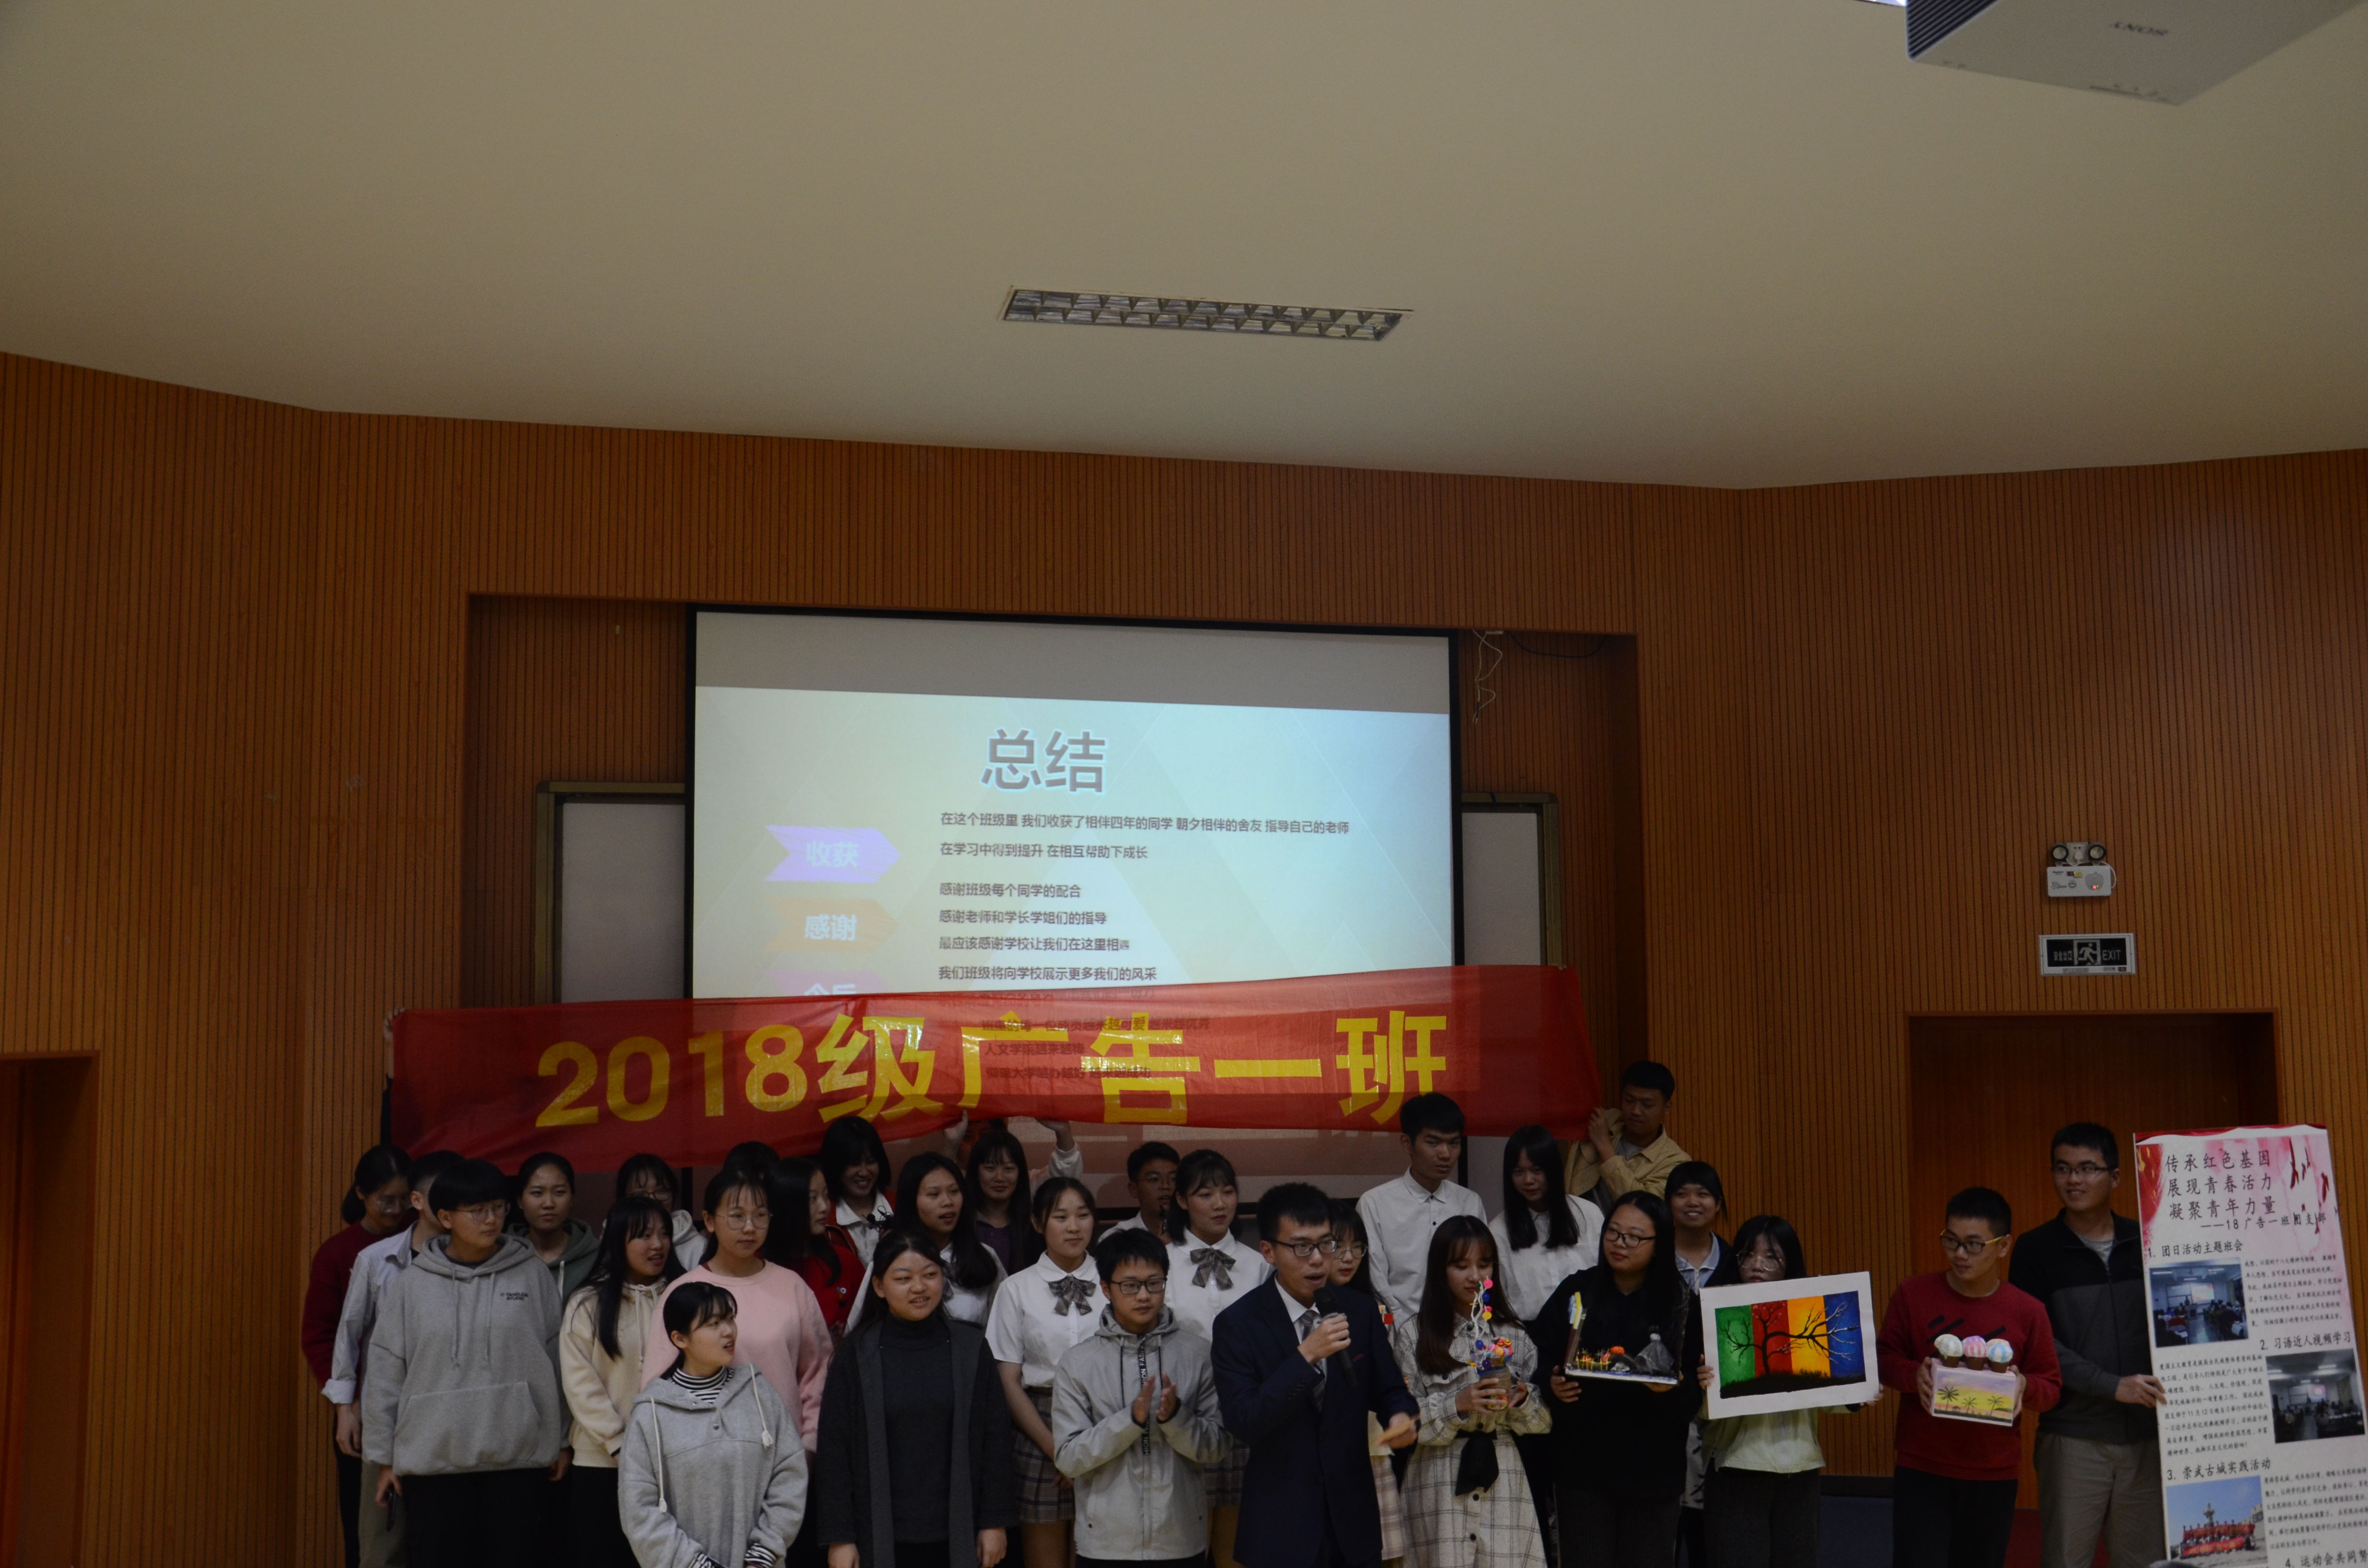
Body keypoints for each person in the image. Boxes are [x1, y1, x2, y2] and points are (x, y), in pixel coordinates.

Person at [361, 1158, 569, 1567]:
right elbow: (386, 1373)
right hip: (433, 1465)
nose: (491, 1220)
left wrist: (561, 1439)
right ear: (445, 1218)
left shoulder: (532, 1275)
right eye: (477, 1211)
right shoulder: (412, 1285)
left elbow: (557, 1359)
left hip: (518, 1461)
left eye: (497, 1208)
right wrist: (384, 1458)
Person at [1210, 1181, 1418, 1568]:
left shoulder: (1359, 1310)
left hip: (1352, 1522)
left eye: (1327, 1244)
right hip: (1280, 1526)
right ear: (1269, 1251)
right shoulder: (1238, 1324)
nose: (1319, 1260)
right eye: (1302, 1247)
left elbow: (1390, 1388)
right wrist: (1306, 1356)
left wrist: (1401, 1415)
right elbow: (1244, 1421)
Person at [812, 1229, 1021, 1568]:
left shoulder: (971, 1349)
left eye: (930, 1275)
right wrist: (840, 1537)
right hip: (877, 1534)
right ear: (879, 1286)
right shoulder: (856, 1355)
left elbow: (995, 1440)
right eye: (903, 1279)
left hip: (960, 1531)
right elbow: (836, 1453)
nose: (919, 1287)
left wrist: (994, 1522)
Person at [1877, 1187, 2063, 1568]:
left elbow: (2051, 1388)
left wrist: (2025, 1387)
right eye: (1951, 1241)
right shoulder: (1913, 1294)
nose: (1960, 1254)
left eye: (1974, 1245)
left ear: (2003, 1246)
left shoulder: (2028, 1311)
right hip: (1922, 1465)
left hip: (1993, 1472)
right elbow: (1882, 1360)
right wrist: (1915, 1375)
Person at [2008, 1125, 2164, 1568]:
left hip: (2149, 1435)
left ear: (2115, 1177)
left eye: (2087, 1169)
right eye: (2063, 1169)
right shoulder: (2035, 1249)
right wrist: (2111, 1385)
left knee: (2144, 1561)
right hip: (2073, 1437)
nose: (2073, 1180)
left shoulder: (2148, 1240)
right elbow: (2037, 1345)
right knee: (2066, 1559)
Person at [1529, 1191, 1702, 1568]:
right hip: (1583, 1469)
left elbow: (1694, 1396)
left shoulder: (1680, 1303)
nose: (1620, 1243)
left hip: (1653, 1473)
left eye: (1635, 1237)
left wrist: (1671, 1389)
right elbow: (1538, 1356)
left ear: (1659, 1245)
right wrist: (1552, 1384)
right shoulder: (1577, 1291)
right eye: (1613, 1232)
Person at [1051, 1227, 1229, 1568]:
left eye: (1154, 1283)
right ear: (1106, 1288)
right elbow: (1069, 1458)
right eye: (1130, 1286)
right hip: (1105, 1545)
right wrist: (1130, 1421)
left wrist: (1176, 1418)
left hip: (1180, 1539)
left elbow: (1217, 1448)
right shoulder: (1078, 1363)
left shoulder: (1198, 1355)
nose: (1144, 1296)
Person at [328, 1147, 464, 1568]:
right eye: (440, 1195)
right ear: (417, 1200)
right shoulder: (376, 1259)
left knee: (446, 1543)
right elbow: (348, 1337)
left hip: (453, 1420)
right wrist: (345, 1409)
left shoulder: (477, 1261)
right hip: (386, 1417)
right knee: (382, 1543)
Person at [1388, 1217, 1549, 1568]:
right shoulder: (1414, 1335)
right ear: (1440, 1270)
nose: (1475, 1276)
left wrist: (1522, 1400)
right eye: (1461, 1266)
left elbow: (1544, 1423)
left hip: (1504, 1475)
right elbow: (1404, 1424)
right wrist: (1457, 1404)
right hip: (1436, 1476)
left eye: (1484, 1264)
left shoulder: (1514, 1333)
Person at [619, 1279, 810, 1568]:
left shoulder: (759, 1393)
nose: (728, 1331)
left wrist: (763, 1555)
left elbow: (789, 1474)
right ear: (680, 1339)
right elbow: (640, 1510)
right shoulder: (651, 1414)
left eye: (730, 1319)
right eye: (713, 1324)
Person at [645, 1167, 834, 1455]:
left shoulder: (792, 1286)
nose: (749, 1228)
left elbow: (817, 1374)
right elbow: (657, 1385)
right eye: (737, 1216)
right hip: (706, 1455)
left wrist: (809, 1446)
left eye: (760, 1215)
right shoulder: (684, 1292)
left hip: (785, 1452)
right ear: (709, 1220)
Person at [1696, 1215, 1836, 1568]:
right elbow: (1700, 1411)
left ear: (1790, 1264)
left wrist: (1858, 1391)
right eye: (1748, 1254)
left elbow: (1832, 1396)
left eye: (1771, 1257)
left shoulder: (1809, 1312)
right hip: (1735, 1466)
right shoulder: (1716, 1313)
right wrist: (1704, 1385)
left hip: (1801, 1466)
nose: (1757, 1265)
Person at [987, 1178, 1104, 1568]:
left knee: (1099, 1554)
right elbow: (1007, 1379)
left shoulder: (1115, 1282)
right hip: (1039, 1429)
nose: (1074, 1227)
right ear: (1038, 1223)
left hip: (1107, 1425)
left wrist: (1092, 1447)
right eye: (1061, 1217)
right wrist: (1058, 1451)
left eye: (1083, 1216)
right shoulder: (1016, 1289)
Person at [560, 1194, 682, 1568]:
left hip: (674, 1464)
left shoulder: (684, 1297)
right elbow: (580, 1382)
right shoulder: (587, 1302)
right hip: (601, 1464)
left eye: (664, 1234)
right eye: (644, 1235)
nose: (657, 1244)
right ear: (617, 1241)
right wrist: (617, 1443)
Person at [308, 1144, 413, 1568]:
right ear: (361, 1194)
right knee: (367, 1527)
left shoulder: (423, 1242)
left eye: (404, 1200)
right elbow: (320, 1335)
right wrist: (345, 1404)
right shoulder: (339, 1252)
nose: (396, 1210)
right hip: (362, 1408)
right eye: (386, 1200)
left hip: (417, 1403)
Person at [1163, 1150, 1268, 1568]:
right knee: (1186, 1543)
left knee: (1238, 1544)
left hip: (1245, 1409)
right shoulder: (1163, 1262)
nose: (1220, 1204)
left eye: (1227, 1192)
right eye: (1205, 1194)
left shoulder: (1258, 1264)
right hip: (1183, 1411)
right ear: (1182, 1200)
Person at [1326, 1201, 1410, 1568]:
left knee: (1380, 1555)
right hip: (1321, 1455)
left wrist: (1400, 1410)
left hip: (1372, 1447)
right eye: (1337, 1246)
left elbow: (1389, 1380)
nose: (1349, 1258)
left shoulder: (1371, 1307)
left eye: (1357, 1247)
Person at [1664, 1160, 1738, 1568]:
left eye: (1703, 1194)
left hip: (1720, 1412)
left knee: (1711, 1531)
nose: (1692, 1202)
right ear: (1668, 1203)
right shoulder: (1651, 1261)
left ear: (1718, 1204)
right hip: (1663, 1407)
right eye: (1682, 1194)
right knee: (1662, 1526)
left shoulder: (1736, 1264)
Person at [1358, 1093, 1488, 1323]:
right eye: (1433, 1143)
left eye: (1454, 1143)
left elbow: (1481, 1271)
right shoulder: (1375, 1203)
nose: (1445, 1154)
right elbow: (1377, 1284)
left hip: (1463, 1328)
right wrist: (1400, 1330)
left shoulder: (1470, 1202)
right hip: (1398, 1328)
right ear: (1407, 1143)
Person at [855, 1152, 1009, 1325]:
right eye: (934, 1194)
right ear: (911, 1201)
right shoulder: (890, 1259)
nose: (948, 1202)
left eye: (954, 1191)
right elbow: (862, 1328)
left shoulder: (984, 1256)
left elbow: (1004, 1326)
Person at [1487, 1125, 1602, 1323]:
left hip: (1588, 1327)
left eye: (1537, 1170)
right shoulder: (1498, 1231)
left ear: (1553, 1169)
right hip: (1527, 1332)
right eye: (1518, 1172)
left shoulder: (1588, 1215)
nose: (1528, 1180)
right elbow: (1498, 1302)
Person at [1562, 1062, 1688, 1207]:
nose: (1635, 1111)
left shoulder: (1675, 1162)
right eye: (1629, 1101)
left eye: (1647, 1105)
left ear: (1667, 1107)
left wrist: (1605, 1149)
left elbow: (1642, 1209)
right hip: (1573, 1219)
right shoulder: (1604, 1121)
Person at [780, 1154, 864, 1337]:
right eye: (812, 1199)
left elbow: (869, 1322)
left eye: (826, 1196)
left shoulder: (845, 1260)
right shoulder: (759, 1266)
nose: (824, 1207)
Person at [514, 1151, 600, 1298]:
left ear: (571, 1198)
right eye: (537, 1193)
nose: (549, 1204)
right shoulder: (503, 1256)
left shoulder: (597, 1258)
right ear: (520, 1201)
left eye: (559, 1192)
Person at [821, 1116, 896, 1264]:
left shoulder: (901, 1206)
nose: (864, 1172)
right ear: (835, 1165)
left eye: (871, 1162)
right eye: (854, 1164)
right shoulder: (823, 1218)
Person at [616, 1151, 707, 1272]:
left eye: (661, 1191)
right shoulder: (611, 1242)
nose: (652, 1200)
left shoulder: (698, 1247)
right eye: (640, 1194)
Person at [1103, 1143, 1183, 1245]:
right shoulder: (1115, 1239)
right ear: (1134, 1189)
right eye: (1154, 1179)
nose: (1166, 1186)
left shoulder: (1195, 1233)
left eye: (1174, 1179)